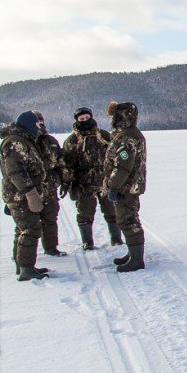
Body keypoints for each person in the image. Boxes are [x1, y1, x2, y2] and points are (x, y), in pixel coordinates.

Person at [0, 111, 50, 281]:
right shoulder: (15, 142)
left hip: (20, 194)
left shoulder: (23, 140)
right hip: (21, 195)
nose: (39, 128)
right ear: (28, 124)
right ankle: (26, 269)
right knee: (31, 229)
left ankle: (23, 265)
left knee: (23, 229)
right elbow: (16, 172)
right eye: (37, 125)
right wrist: (30, 192)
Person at [64, 107, 122, 250]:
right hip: (84, 184)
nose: (84, 120)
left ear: (91, 117)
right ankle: (87, 242)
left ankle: (117, 239)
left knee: (112, 211)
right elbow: (67, 165)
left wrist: (116, 178)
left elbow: (116, 157)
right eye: (81, 119)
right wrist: (70, 184)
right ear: (77, 120)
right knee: (85, 214)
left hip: (105, 181)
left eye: (86, 117)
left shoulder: (103, 135)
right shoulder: (72, 140)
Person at [103, 101, 147, 272]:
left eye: (115, 115)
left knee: (128, 221)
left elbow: (123, 166)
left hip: (125, 187)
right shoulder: (128, 134)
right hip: (128, 186)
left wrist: (114, 186)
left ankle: (137, 260)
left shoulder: (128, 136)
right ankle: (132, 254)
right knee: (127, 219)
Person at [32, 110, 70, 257]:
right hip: (31, 189)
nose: (39, 124)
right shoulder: (25, 141)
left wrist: (64, 182)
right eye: (36, 121)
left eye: (41, 121)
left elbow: (61, 164)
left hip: (49, 187)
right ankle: (24, 253)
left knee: (50, 219)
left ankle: (51, 248)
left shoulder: (51, 141)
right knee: (29, 222)